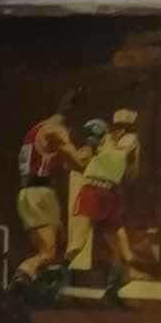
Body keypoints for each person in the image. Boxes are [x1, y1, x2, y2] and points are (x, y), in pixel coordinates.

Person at [10, 87, 89, 301]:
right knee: (48, 253)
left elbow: (65, 164)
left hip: (29, 193)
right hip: (40, 194)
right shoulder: (58, 131)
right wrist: (91, 149)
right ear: (73, 114)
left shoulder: (38, 128)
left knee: (58, 244)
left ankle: (35, 287)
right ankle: (21, 278)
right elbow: (79, 164)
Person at [68, 107, 144, 306]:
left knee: (118, 246)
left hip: (108, 192)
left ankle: (114, 287)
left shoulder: (127, 142)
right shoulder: (104, 139)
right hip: (92, 190)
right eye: (117, 126)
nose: (119, 130)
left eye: (123, 127)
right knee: (79, 242)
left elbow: (130, 172)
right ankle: (56, 277)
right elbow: (81, 159)